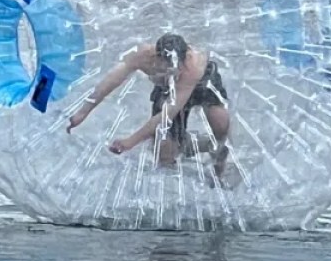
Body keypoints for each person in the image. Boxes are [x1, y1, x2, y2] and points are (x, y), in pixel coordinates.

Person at [67, 33, 231, 176]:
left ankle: (219, 162)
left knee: (220, 125)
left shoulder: (192, 67)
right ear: (156, 57)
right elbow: (111, 80)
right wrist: (83, 112)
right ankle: (184, 146)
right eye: (167, 69)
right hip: (169, 91)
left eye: (176, 69)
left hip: (203, 83)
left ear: (185, 58)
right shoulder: (144, 56)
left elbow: (168, 114)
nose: (173, 73)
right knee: (164, 155)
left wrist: (130, 141)